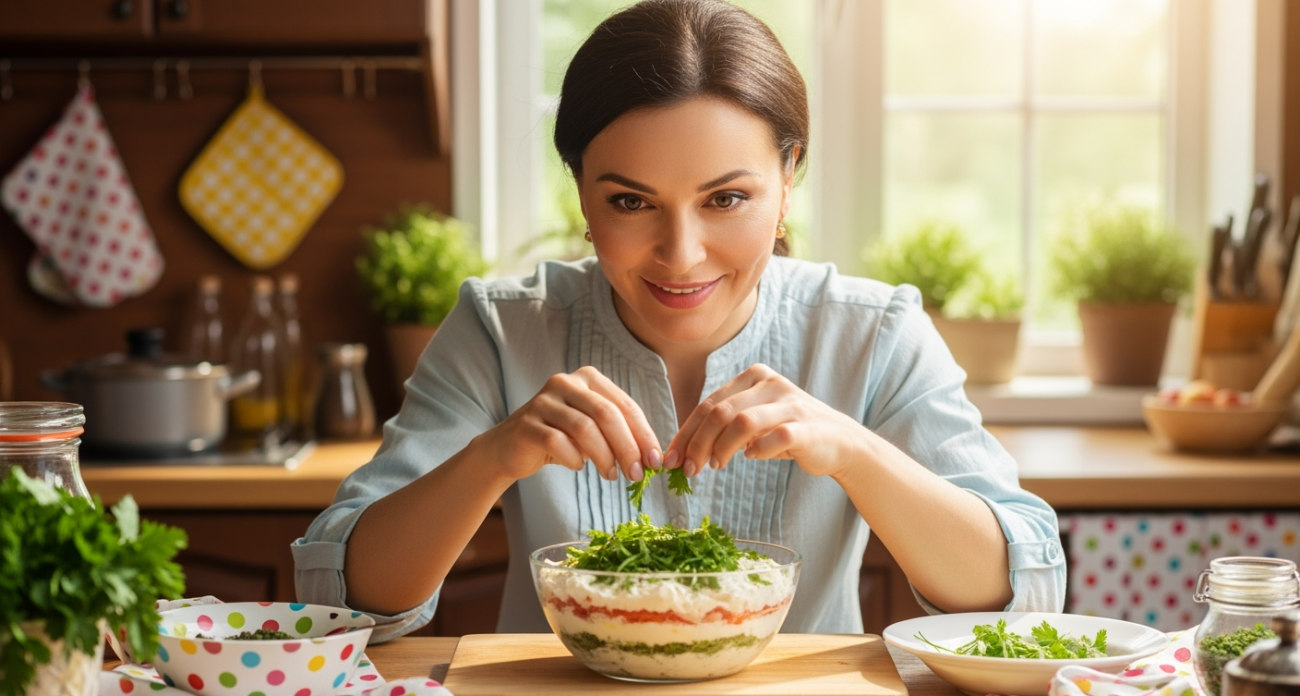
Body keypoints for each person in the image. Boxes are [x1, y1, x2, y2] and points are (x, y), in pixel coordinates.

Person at [293, 0, 1065, 641]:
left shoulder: (875, 332)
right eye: (631, 201)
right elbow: (343, 598)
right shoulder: (500, 330)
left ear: (788, 178)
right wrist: (492, 457)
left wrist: (854, 451)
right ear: (581, 191)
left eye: (726, 199)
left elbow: (1022, 595)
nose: (682, 254)